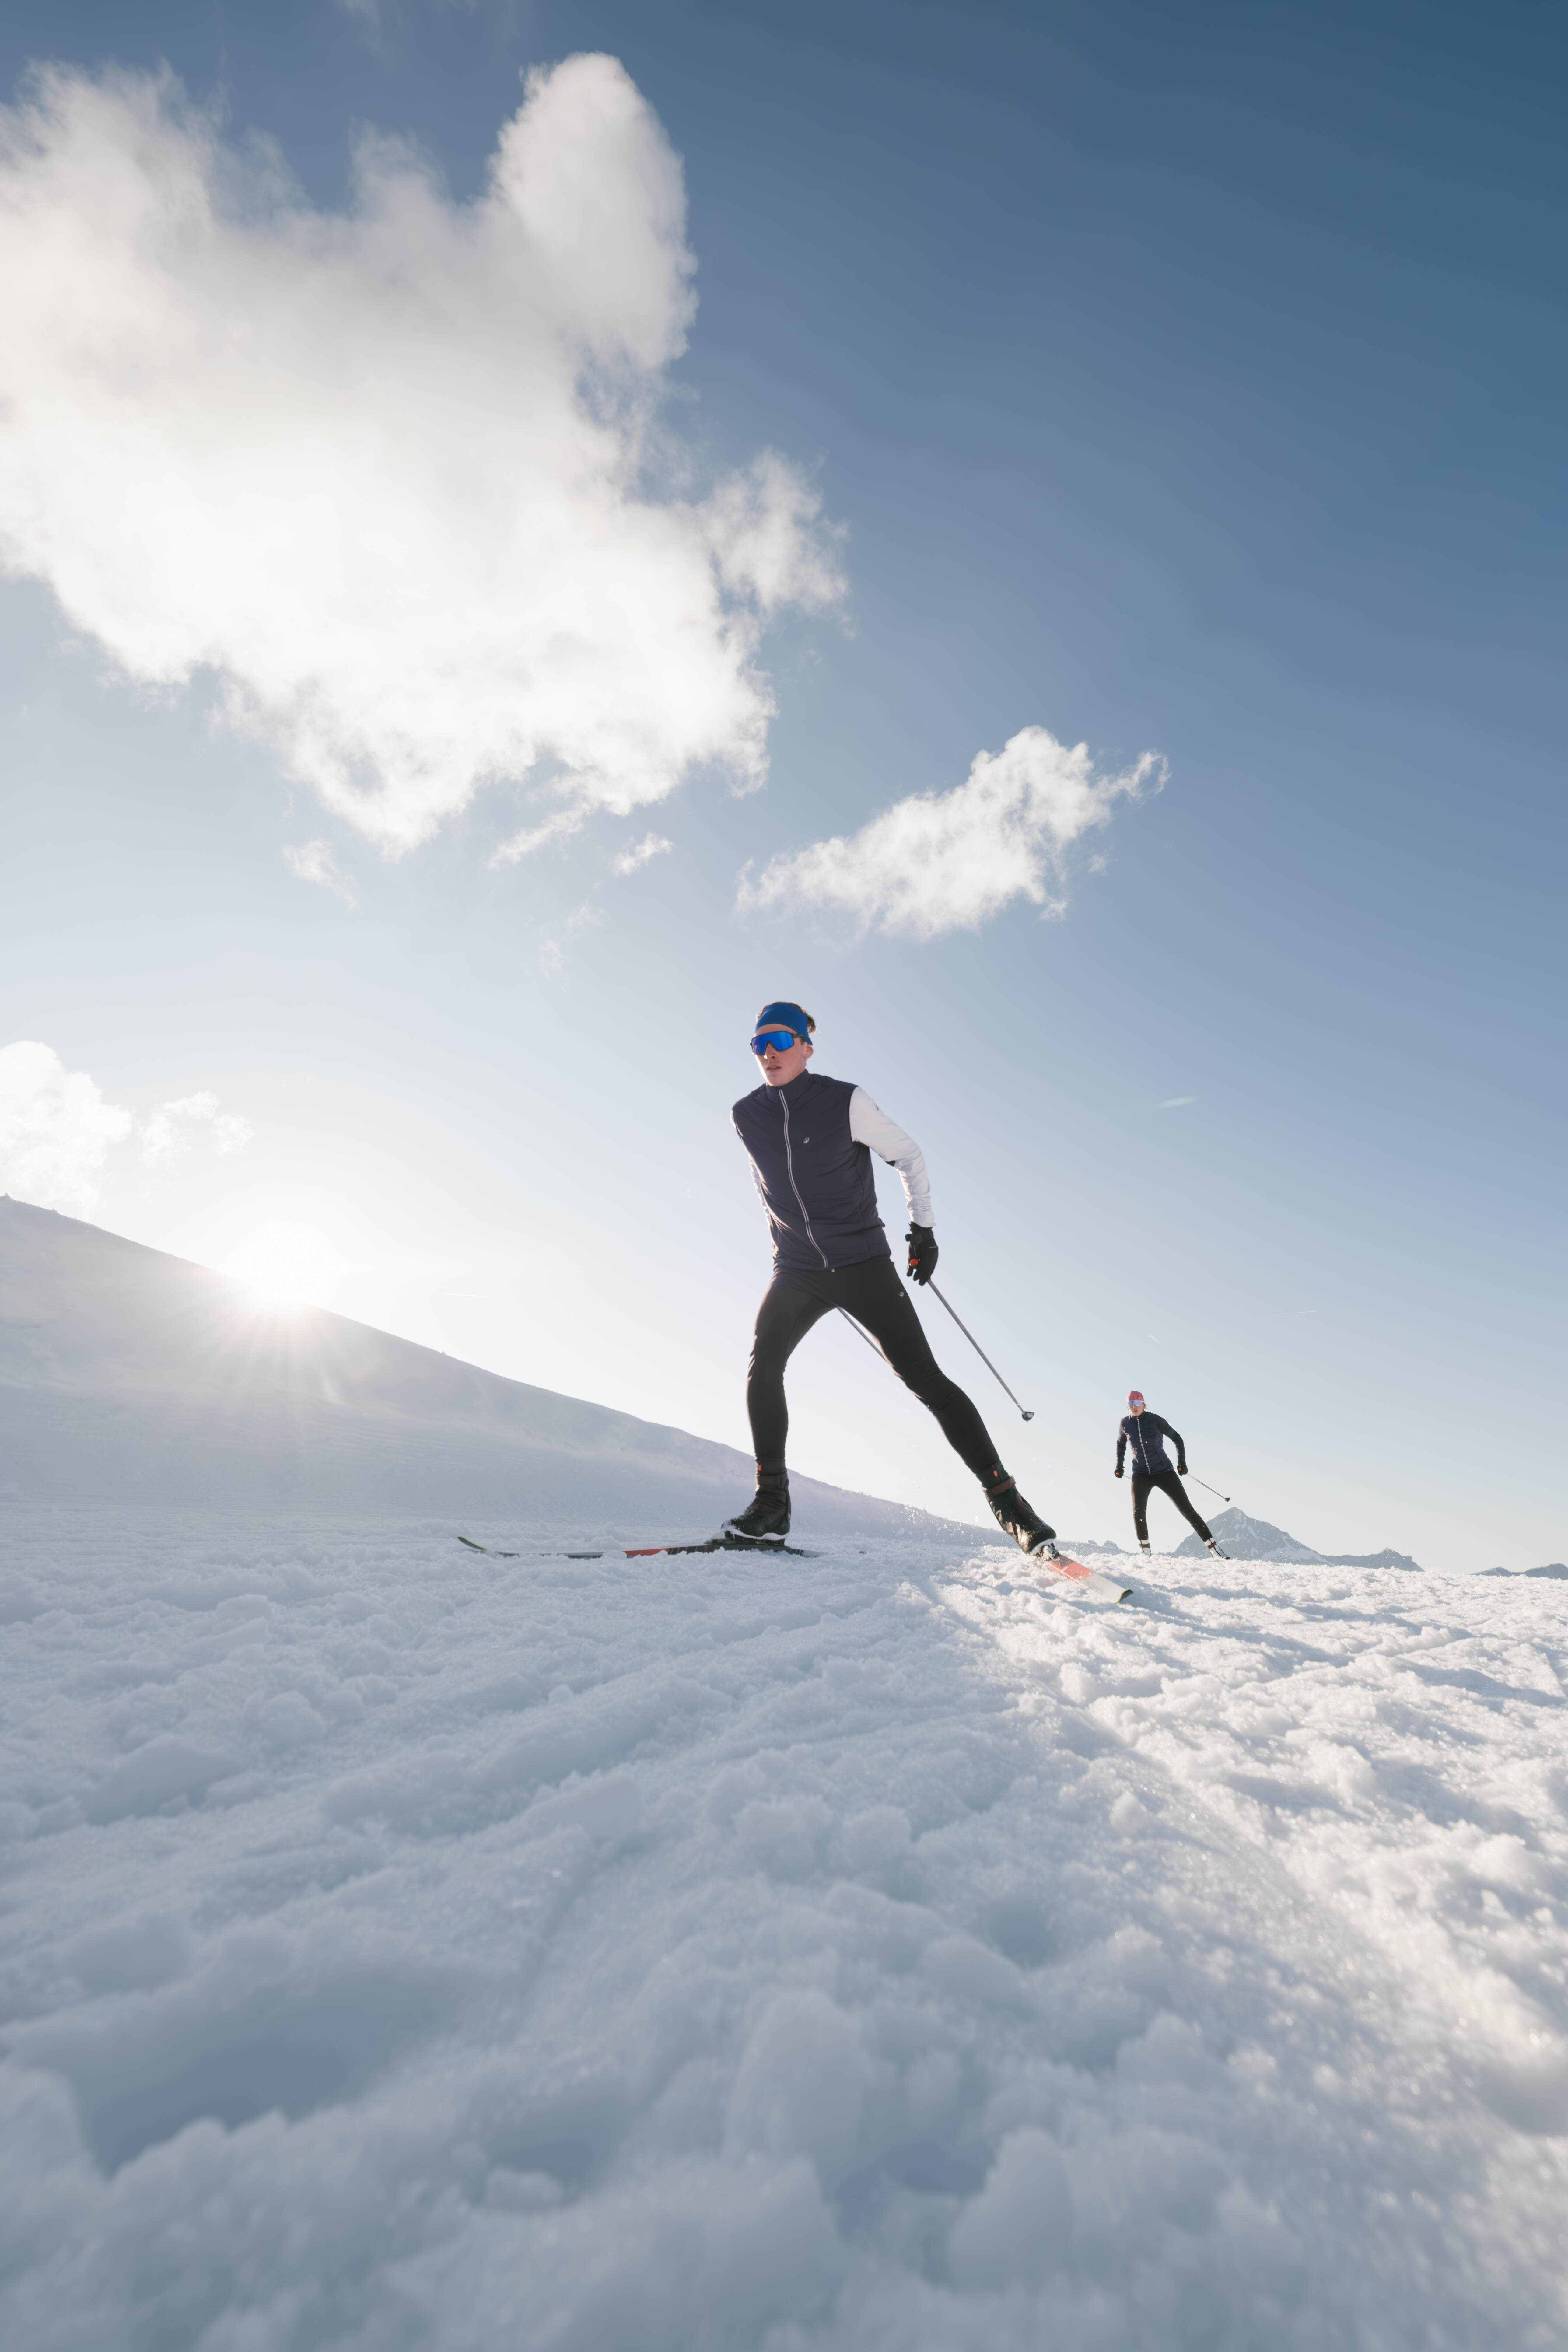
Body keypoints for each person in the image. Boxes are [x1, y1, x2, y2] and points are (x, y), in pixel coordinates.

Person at [725, 1000, 1055, 1553]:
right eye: (758, 1044)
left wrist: (922, 1229)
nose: (769, 1054)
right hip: (798, 1268)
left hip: (861, 1262)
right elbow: (769, 1188)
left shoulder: (844, 1100)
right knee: (763, 1366)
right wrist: (786, 1242)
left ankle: (1008, 1503)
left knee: (924, 1379)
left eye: (780, 1041)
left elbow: (908, 1154)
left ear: (806, 1045)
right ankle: (771, 1503)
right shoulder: (745, 1114)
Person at [1115, 1391, 1226, 1556]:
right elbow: (1121, 1444)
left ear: (1144, 1404)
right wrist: (1120, 1465)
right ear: (1128, 1407)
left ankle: (1214, 1548)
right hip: (1141, 1473)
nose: (1135, 1407)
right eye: (1131, 1404)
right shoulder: (1125, 1424)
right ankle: (1145, 1551)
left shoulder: (1156, 1420)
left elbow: (1177, 1439)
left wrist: (1182, 1462)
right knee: (1138, 1511)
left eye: (1138, 1404)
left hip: (1164, 1471)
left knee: (1187, 1510)